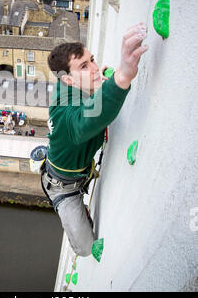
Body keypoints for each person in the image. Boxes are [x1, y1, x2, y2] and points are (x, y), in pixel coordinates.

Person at [41, 23, 148, 259]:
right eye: (84, 66)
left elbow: (92, 87)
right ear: (68, 80)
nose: (95, 68)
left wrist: (101, 80)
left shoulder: (75, 83)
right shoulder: (63, 111)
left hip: (77, 171)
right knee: (86, 248)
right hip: (63, 189)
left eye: (92, 60)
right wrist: (121, 78)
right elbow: (80, 123)